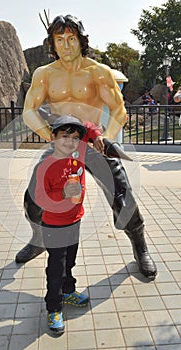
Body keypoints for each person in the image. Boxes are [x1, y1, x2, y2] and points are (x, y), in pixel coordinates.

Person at [16, 14, 157, 279]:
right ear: (52, 43)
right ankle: (39, 239)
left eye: (71, 39)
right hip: (61, 144)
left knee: (123, 201)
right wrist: (50, 136)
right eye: (60, 40)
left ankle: (140, 247)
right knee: (33, 200)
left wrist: (108, 137)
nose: (66, 46)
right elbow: (29, 110)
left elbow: (119, 110)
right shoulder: (44, 74)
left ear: (81, 41)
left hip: (94, 143)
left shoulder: (98, 72)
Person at [35, 115, 93, 334]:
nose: (70, 142)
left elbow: (90, 127)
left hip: (74, 220)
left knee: (70, 260)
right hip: (54, 225)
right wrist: (62, 193)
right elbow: (40, 198)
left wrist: (87, 131)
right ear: (53, 138)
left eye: (75, 138)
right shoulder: (46, 166)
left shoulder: (78, 159)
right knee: (56, 268)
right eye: (64, 136)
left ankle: (68, 291)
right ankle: (54, 308)